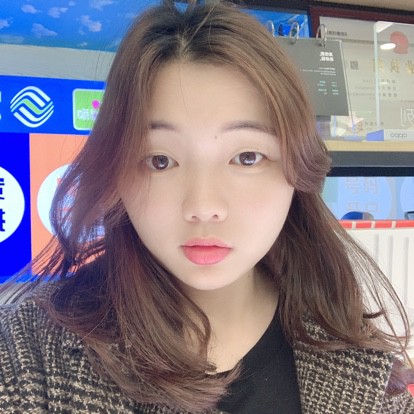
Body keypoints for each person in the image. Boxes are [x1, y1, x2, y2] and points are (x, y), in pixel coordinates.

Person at [0, 1, 413, 413]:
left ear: (297, 170)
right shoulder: (31, 355)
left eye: (247, 157)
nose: (203, 207)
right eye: (160, 160)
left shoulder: (366, 376)